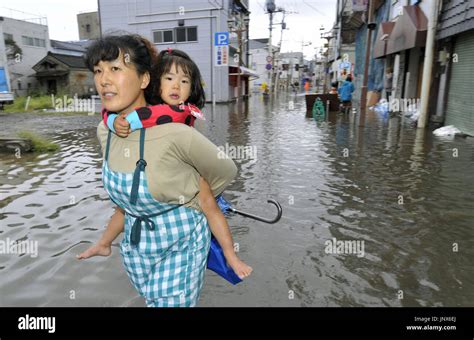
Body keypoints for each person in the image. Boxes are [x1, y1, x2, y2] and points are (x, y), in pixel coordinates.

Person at [77, 35, 245, 307]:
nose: (104, 79)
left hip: (180, 241)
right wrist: (104, 241)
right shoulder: (104, 131)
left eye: (115, 69)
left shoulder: (178, 134)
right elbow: (125, 204)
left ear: (144, 80)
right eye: (98, 71)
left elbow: (225, 170)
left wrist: (195, 196)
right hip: (136, 246)